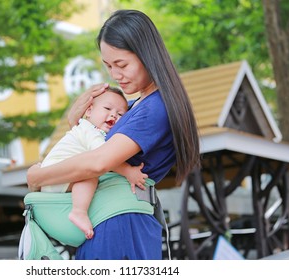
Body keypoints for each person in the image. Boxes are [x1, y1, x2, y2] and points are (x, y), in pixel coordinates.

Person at [27, 9, 200, 260]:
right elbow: (90, 148)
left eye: (122, 64)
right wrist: (76, 123)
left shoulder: (154, 108)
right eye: (108, 66)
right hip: (110, 221)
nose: (115, 75)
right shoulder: (135, 106)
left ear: (147, 55)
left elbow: (98, 161)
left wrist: (38, 176)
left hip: (118, 224)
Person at [40, 86, 147, 239]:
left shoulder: (89, 131)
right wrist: (129, 171)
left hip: (54, 178)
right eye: (107, 108)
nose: (113, 115)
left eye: (120, 114)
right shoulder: (90, 130)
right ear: (89, 111)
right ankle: (79, 212)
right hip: (55, 175)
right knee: (91, 173)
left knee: (90, 172)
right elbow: (106, 157)